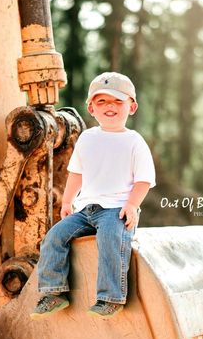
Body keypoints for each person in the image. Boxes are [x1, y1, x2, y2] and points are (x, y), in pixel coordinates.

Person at [30, 72, 156, 320]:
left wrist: (132, 206)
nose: (110, 107)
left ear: (132, 107)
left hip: (117, 210)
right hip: (85, 210)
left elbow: (144, 180)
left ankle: (111, 297)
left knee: (110, 236)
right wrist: (67, 201)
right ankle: (54, 292)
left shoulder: (134, 142)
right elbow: (76, 173)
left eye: (117, 102)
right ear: (91, 108)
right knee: (54, 236)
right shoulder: (87, 138)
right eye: (102, 102)